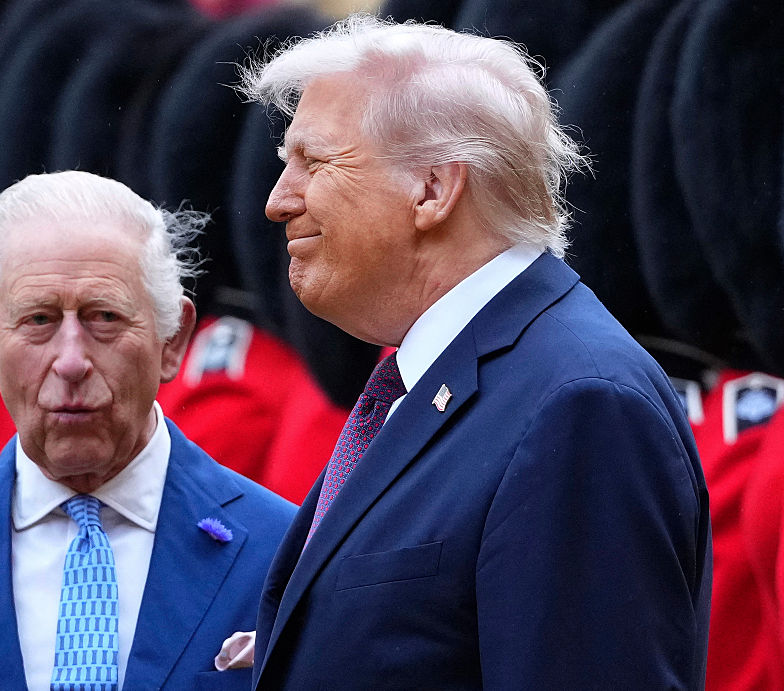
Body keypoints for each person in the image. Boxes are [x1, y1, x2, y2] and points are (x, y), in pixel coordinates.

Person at [237, 14, 712, 689]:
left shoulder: (579, 403)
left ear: (432, 189)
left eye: (313, 162)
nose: (277, 201)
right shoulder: (450, 381)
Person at [0, 171, 296, 690]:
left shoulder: (285, 556)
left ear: (172, 340)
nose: (70, 361)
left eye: (104, 317)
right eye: (38, 320)